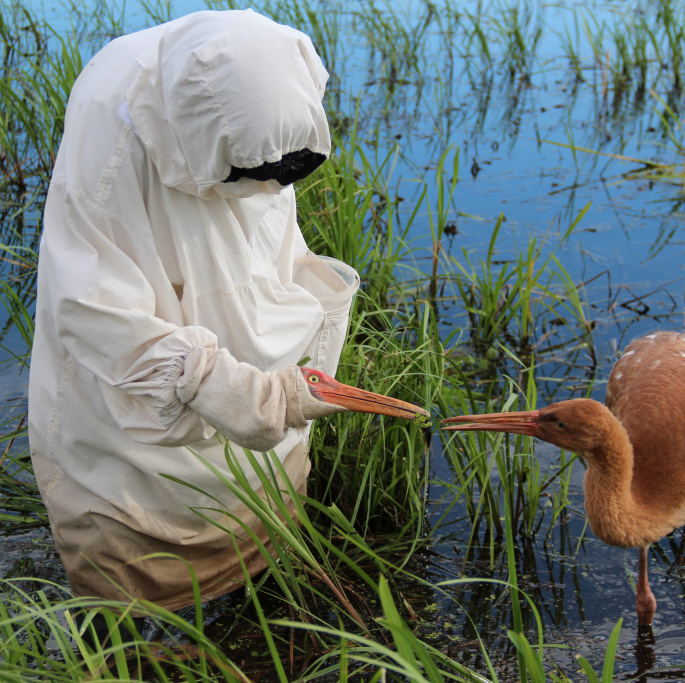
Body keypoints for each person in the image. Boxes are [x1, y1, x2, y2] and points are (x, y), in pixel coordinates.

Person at [28, 9, 416, 619]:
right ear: (195, 138)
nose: (271, 184)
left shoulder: (262, 99)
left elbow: (264, 225)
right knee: (134, 573)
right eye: (254, 172)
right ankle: (127, 639)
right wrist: (222, 385)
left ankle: (253, 575)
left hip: (236, 305)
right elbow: (92, 306)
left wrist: (275, 380)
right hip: (138, 415)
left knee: (268, 499)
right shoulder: (113, 137)